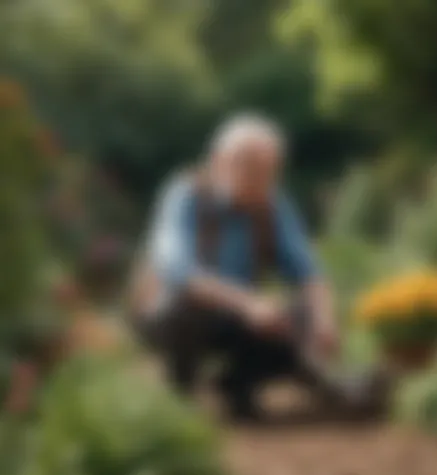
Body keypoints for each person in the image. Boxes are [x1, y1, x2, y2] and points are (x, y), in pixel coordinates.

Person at [130, 114, 339, 420]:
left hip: (239, 319)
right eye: (249, 167)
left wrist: (324, 320)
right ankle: (180, 391)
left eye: (268, 171)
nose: (259, 179)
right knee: (184, 308)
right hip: (177, 314)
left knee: (302, 316)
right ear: (217, 161)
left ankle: (238, 386)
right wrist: (248, 302)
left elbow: (307, 272)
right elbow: (176, 268)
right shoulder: (185, 195)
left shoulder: (273, 206)